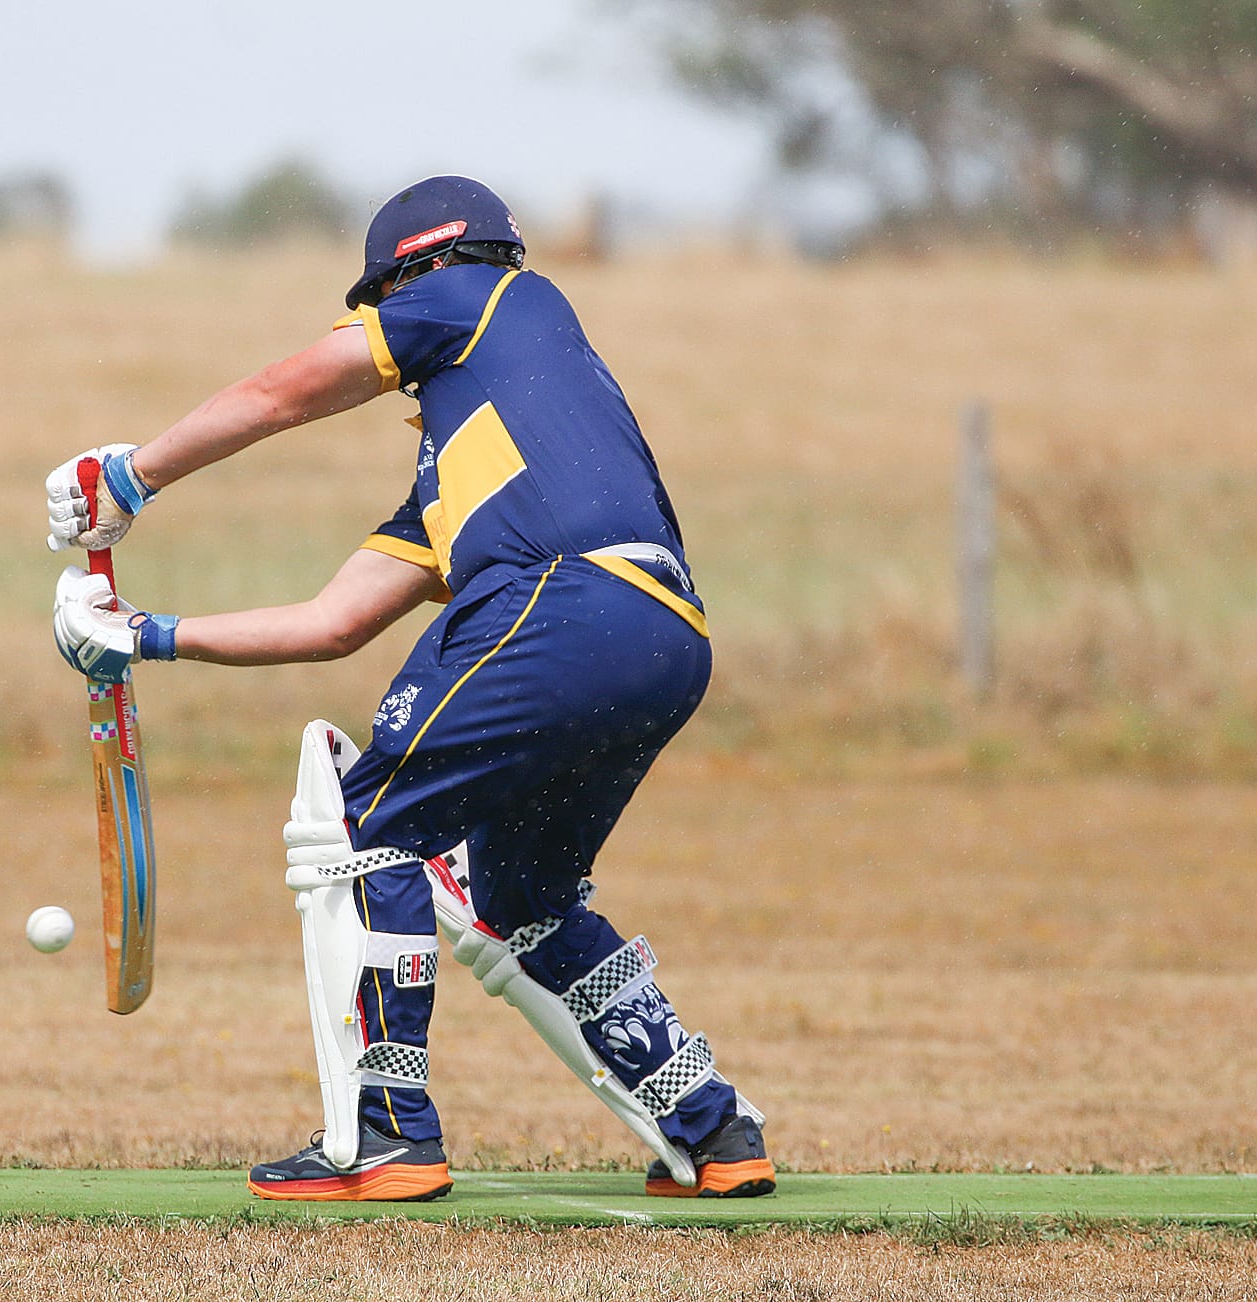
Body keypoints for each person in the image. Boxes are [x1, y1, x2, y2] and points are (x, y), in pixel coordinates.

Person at [46, 176, 773, 1202]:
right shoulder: (473, 466)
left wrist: (129, 477)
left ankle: (387, 1136)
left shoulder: (478, 290)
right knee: (522, 897)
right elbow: (330, 623)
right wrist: (144, 637)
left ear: (412, 272)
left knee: (363, 830)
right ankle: (714, 1128)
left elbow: (283, 392)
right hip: (664, 639)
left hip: (563, 602)